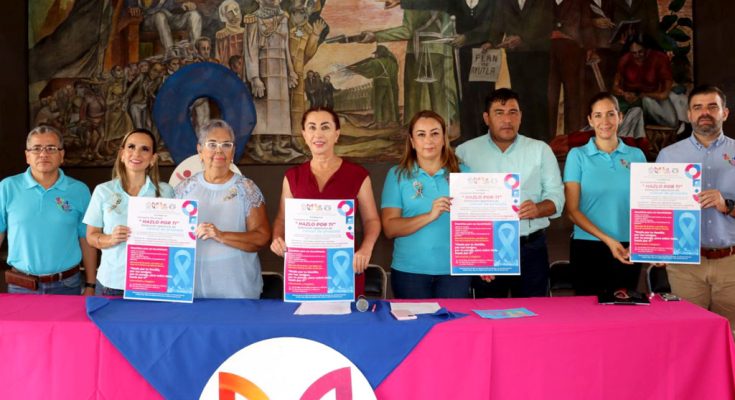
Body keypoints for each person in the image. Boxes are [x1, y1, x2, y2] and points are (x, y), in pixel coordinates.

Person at [456, 88, 565, 297]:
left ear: (520, 116)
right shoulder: (465, 153)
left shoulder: (540, 150)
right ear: (486, 118)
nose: (507, 119)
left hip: (530, 248)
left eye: (513, 112)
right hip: (486, 249)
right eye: (499, 113)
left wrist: (538, 209)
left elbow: (557, 198)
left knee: (533, 312)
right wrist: (477, 256)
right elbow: (460, 207)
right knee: (488, 311)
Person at [271, 107, 381, 296]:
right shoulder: (293, 177)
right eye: (312, 127)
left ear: (336, 134)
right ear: (304, 135)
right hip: (305, 272)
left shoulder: (358, 175)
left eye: (325, 127)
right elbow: (282, 219)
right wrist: (277, 238)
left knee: (346, 315)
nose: (318, 134)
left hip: (345, 270)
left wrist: (366, 249)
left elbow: (372, 220)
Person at [655, 85, 735, 334]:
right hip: (685, 267)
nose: (705, 113)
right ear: (689, 114)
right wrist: (657, 246)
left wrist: (728, 205)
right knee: (689, 335)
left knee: (731, 335)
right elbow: (657, 209)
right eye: (698, 107)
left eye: (712, 106)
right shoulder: (668, 156)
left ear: (725, 113)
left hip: (731, 263)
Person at [175, 120, 271, 298]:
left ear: (233, 151)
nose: (219, 151)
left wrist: (220, 235)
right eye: (212, 144)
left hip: (236, 290)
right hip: (191, 290)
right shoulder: (184, 189)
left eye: (226, 145)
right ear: (200, 150)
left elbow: (261, 238)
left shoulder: (247, 188)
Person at [563, 92, 646, 295]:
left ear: (620, 117)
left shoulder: (637, 155)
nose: (605, 121)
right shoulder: (577, 156)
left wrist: (649, 244)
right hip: (588, 246)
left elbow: (646, 205)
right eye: (598, 115)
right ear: (590, 120)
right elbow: (572, 211)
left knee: (625, 309)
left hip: (629, 248)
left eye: (610, 114)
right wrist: (609, 241)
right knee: (588, 311)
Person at [381, 110, 471, 298]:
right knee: (416, 319)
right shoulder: (397, 175)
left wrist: (484, 261)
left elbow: (478, 224)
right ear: (412, 142)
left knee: (451, 319)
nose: (428, 140)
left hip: (455, 272)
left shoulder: (464, 173)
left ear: (444, 138)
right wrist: (430, 215)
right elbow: (390, 228)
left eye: (435, 133)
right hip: (409, 272)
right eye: (421, 134)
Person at [0, 125, 97, 295]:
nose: (43, 154)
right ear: (27, 156)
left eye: (51, 148)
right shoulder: (7, 187)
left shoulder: (79, 190)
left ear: (62, 155)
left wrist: (91, 284)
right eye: (36, 148)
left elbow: (87, 238)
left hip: (67, 285)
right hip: (21, 285)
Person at [84, 128, 174, 295]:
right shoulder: (103, 191)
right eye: (131, 147)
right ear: (122, 154)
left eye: (144, 149)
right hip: (112, 284)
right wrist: (110, 239)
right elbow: (91, 237)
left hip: (152, 282)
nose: (136, 153)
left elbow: (175, 238)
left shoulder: (165, 192)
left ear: (153, 158)